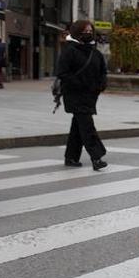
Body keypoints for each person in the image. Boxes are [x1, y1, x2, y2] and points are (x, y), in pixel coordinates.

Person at [56, 20, 109, 170]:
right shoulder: (69, 51)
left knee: (78, 127)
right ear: (77, 32)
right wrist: (80, 84)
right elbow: (62, 73)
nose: (88, 33)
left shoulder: (95, 52)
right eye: (85, 31)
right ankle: (96, 157)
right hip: (75, 95)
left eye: (90, 30)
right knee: (87, 126)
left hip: (91, 96)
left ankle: (71, 157)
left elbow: (103, 71)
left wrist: (101, 85)